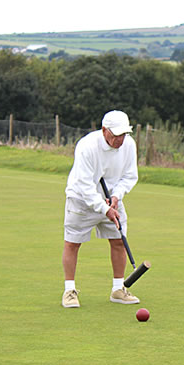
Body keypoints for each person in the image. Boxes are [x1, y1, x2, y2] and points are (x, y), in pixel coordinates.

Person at [61, 110, 140, 308]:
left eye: (123, 135)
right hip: (81, 200)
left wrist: (116, 197)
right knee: (73, 243)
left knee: (118, 241)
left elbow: (130, 176)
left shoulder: (129, 145)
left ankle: (118, 289)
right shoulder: (87, 147)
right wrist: (103, 209)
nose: (120, 140)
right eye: (115, 135)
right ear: (104, 130)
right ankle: (69, 291)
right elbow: (84, 185)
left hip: (112, 199)